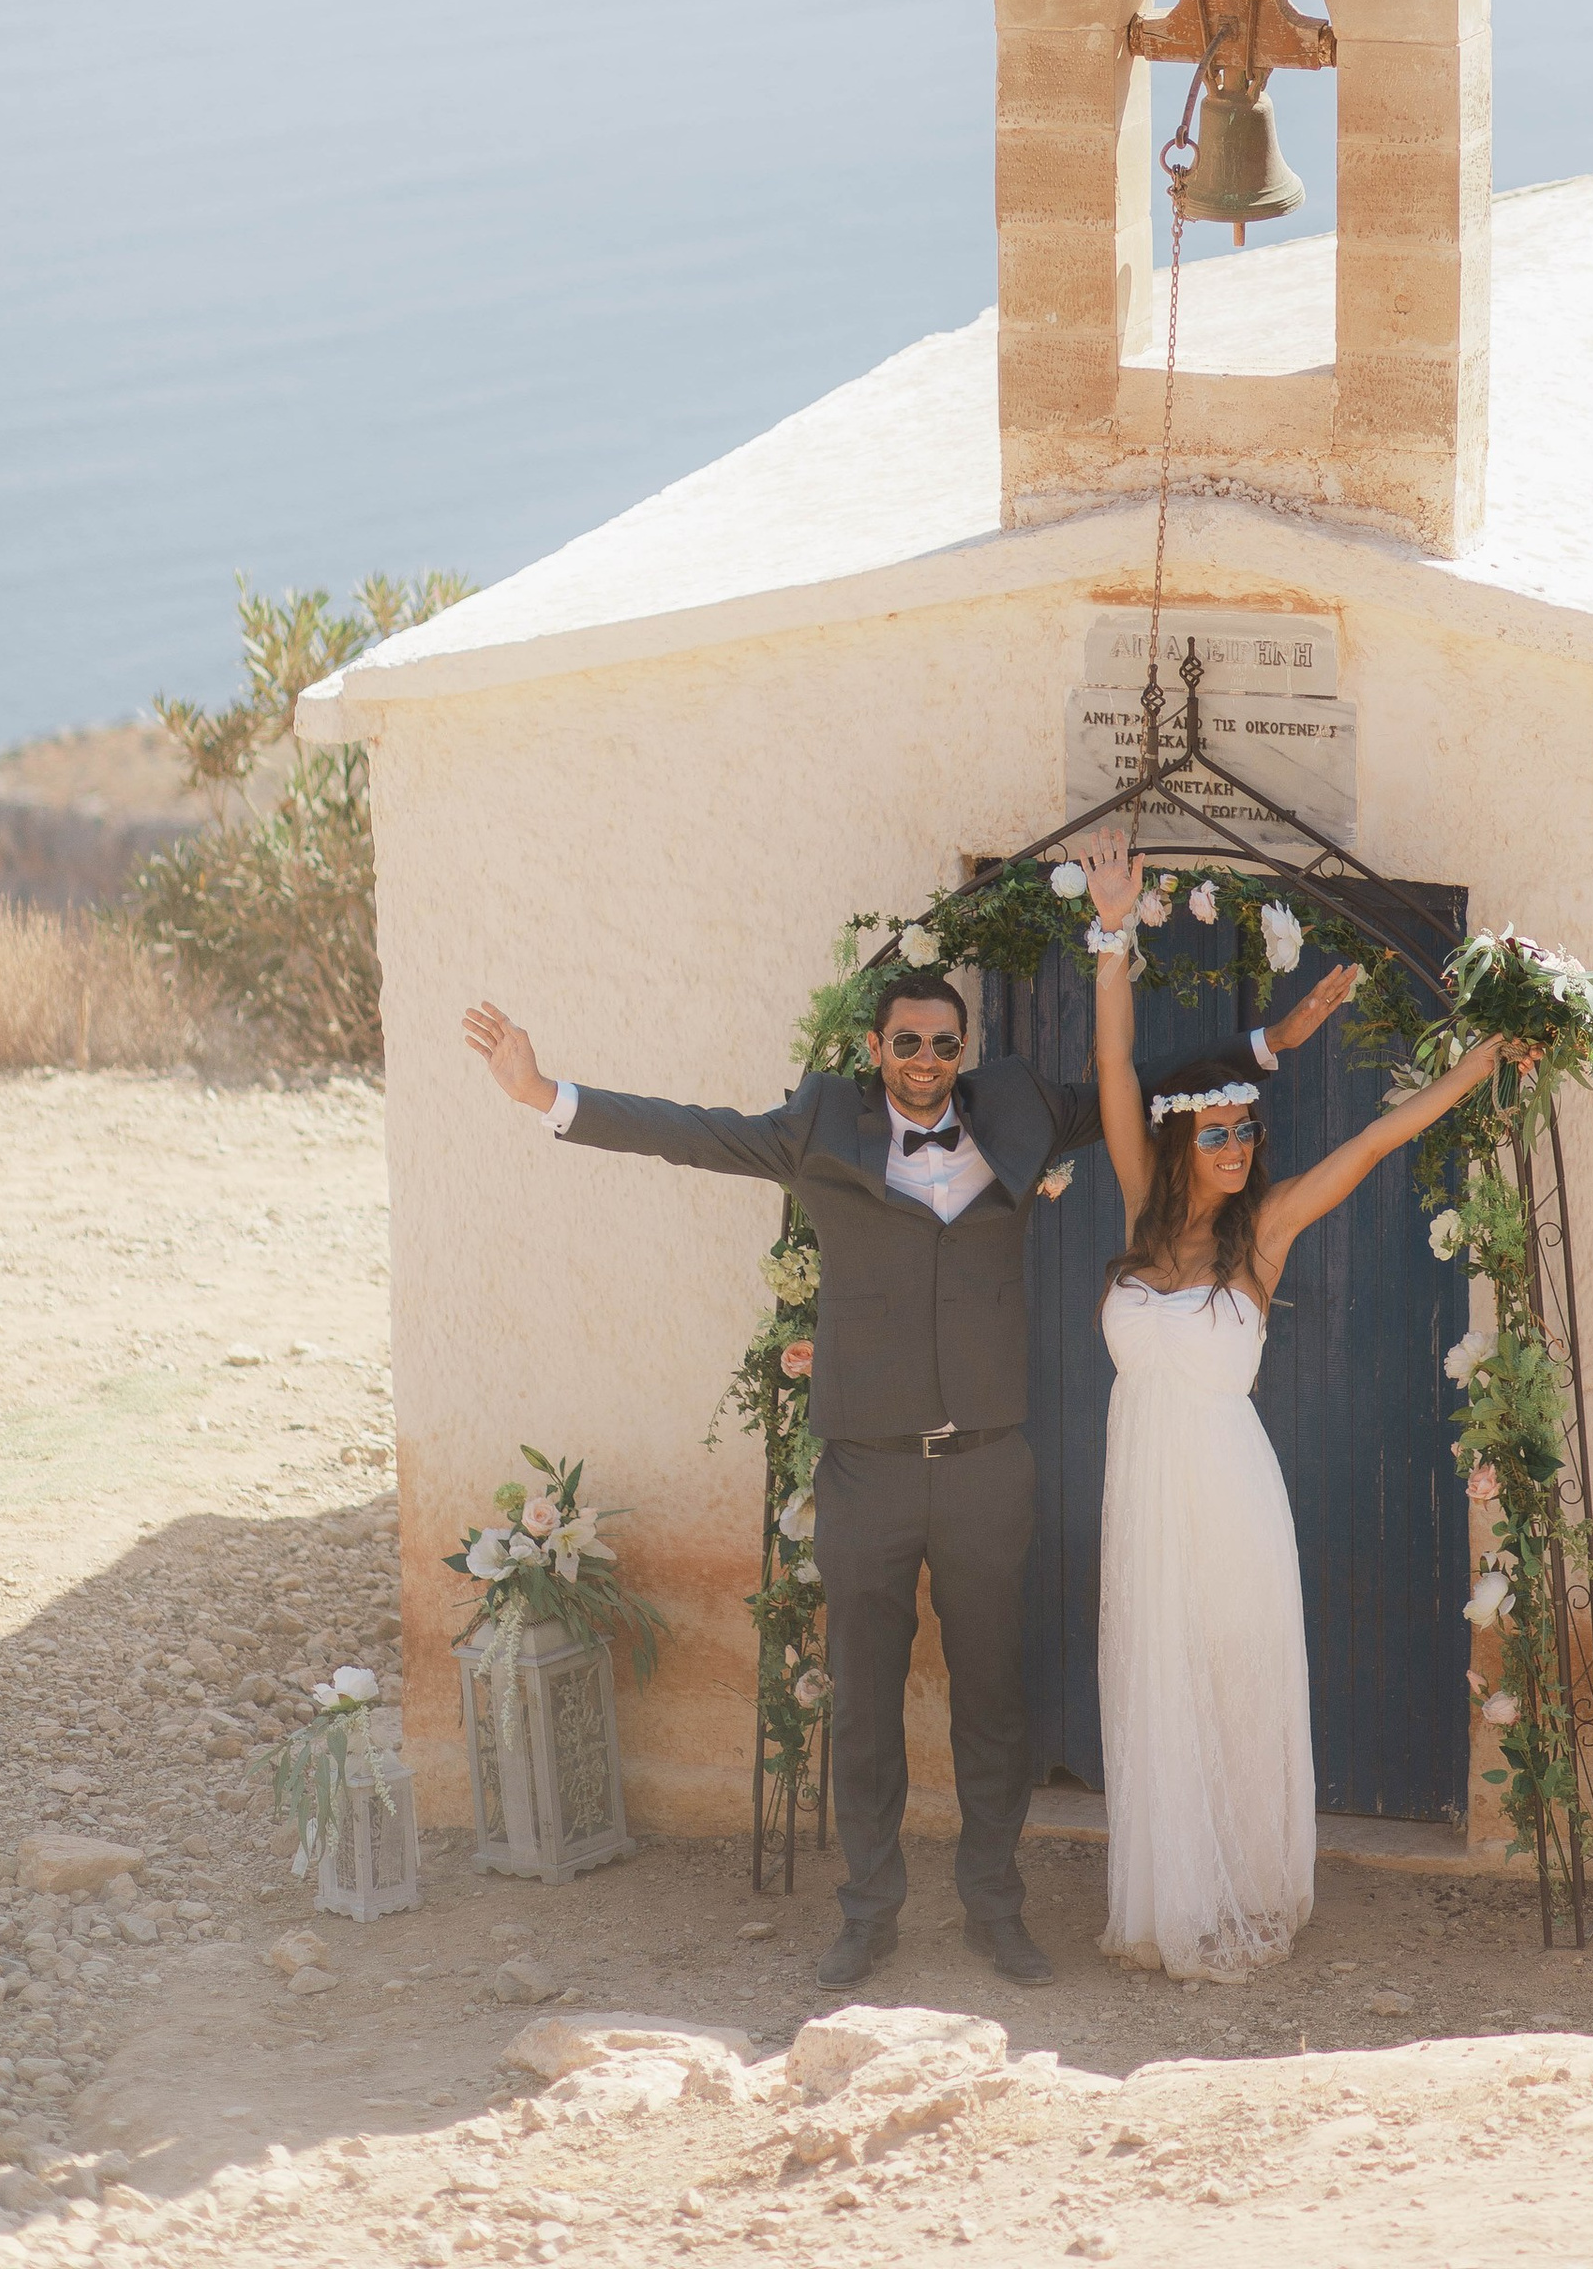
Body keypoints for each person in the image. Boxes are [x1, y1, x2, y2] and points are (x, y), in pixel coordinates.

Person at [461, 927, 1353, 1989]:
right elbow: (691, 1133)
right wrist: (542, 1093)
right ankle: (867, 1913)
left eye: (942, 1042)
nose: (926, 1060)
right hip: (866, 1467)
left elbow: (1146, 1084)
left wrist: (1270, 1039)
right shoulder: (819, 1128)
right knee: (862, 1699)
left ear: (961, 1048)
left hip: (986, 1466)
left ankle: (995, 1910)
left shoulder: (1016, 1114)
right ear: (876, 1049)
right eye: (907, 1043)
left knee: (992, 1705)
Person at [1078, 817, 1507, 1984]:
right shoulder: (1136, 1217)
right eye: (1215, 1130)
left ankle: (1248, 1883)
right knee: (1156, 1680)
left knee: (1230, 1673)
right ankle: (1173, 1892)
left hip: (1229, 1493)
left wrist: (1468, 1073)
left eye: (1244, 1129)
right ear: (1178, 1145)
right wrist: (1110, 936)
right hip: (1146, 1493)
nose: (1235, 1144)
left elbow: (1367, 1146)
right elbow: (1113, 1072)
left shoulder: (1260, 1236)